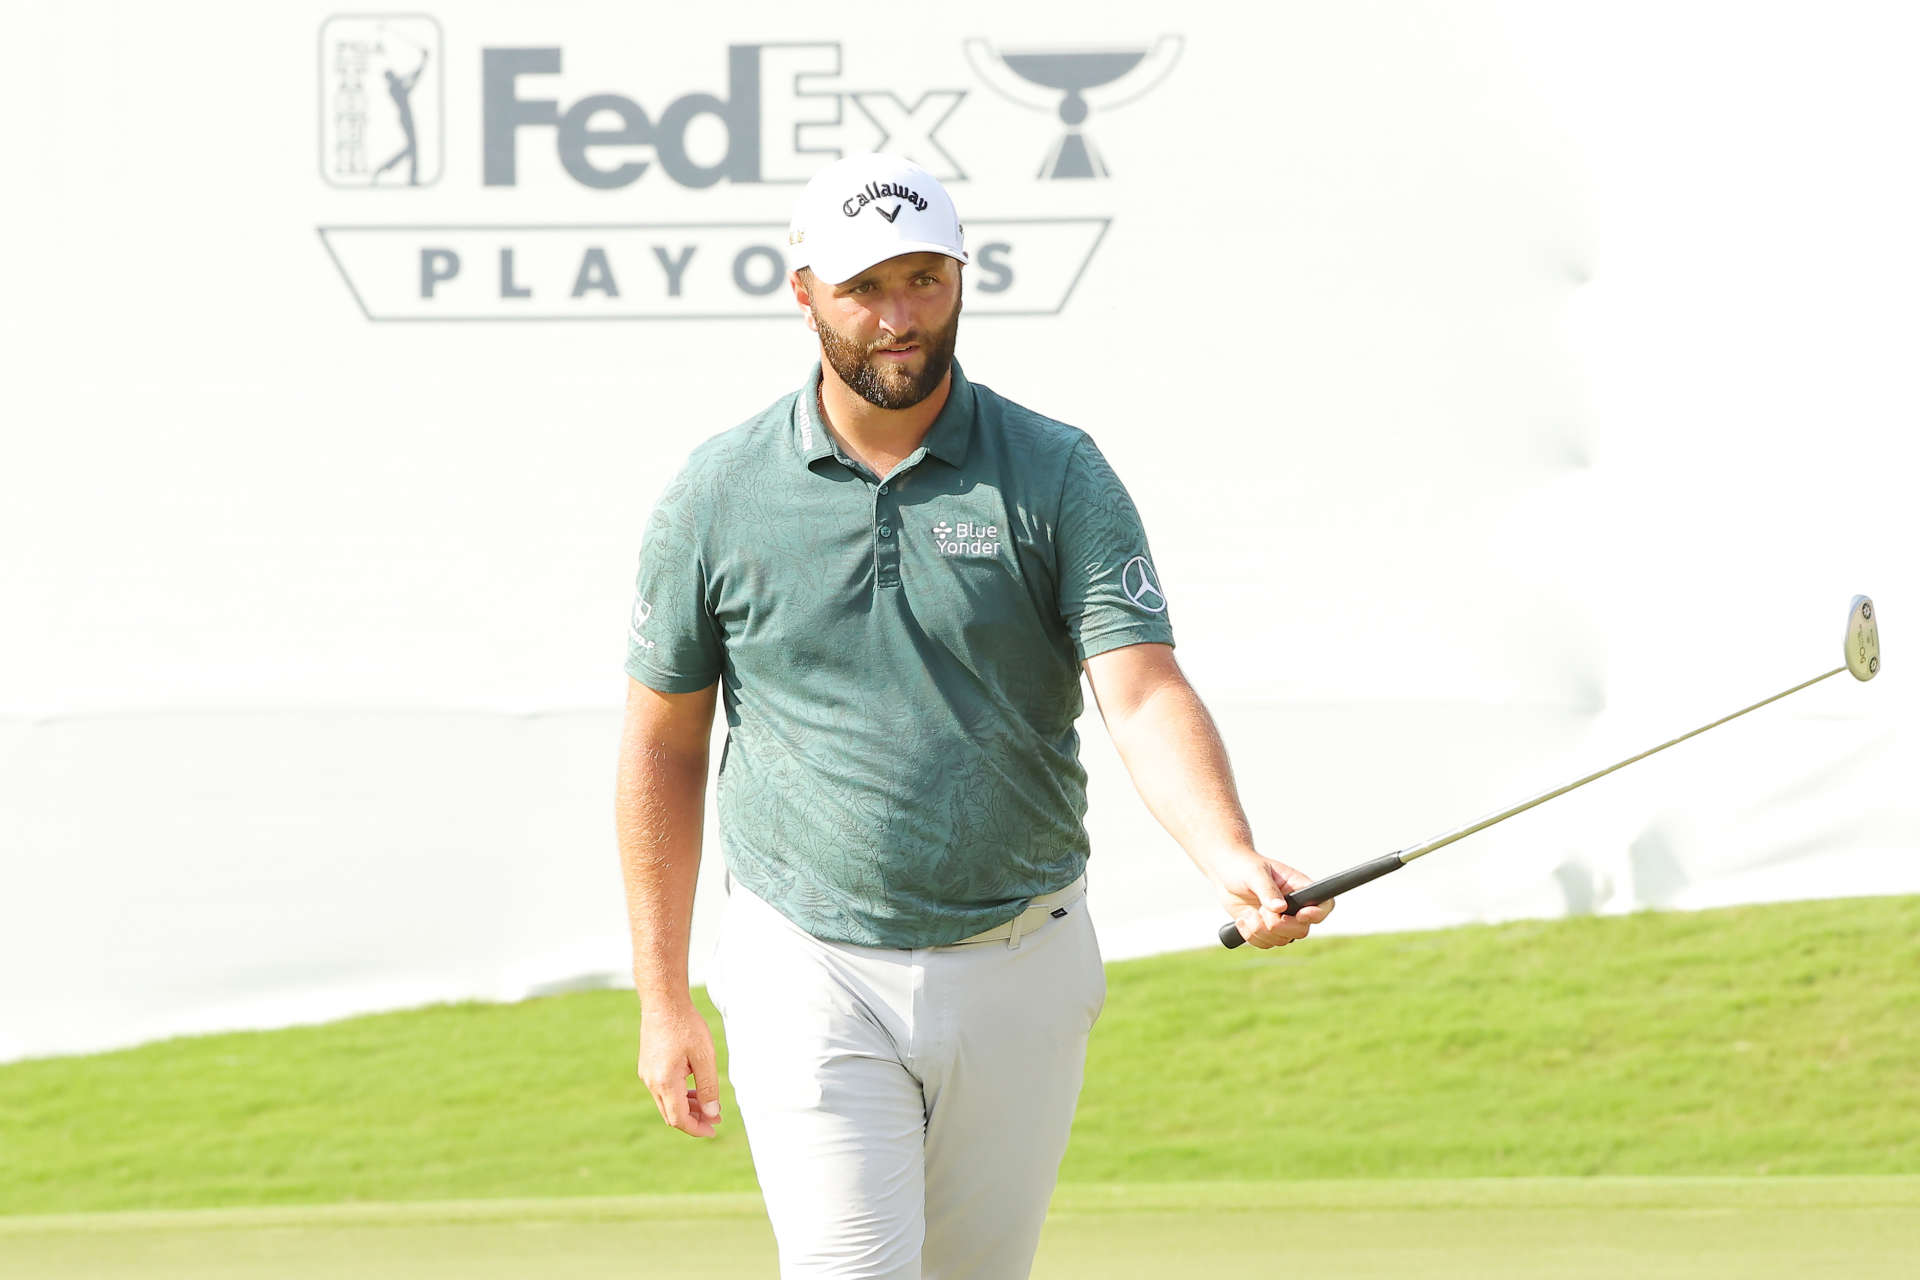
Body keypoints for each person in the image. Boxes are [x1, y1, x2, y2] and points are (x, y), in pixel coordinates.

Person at [615, 152, 1330, 1279]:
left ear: (961, 276)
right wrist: (663, 998)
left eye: (925, 280)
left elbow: (1140, 688)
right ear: (803, 291)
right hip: (808, 958)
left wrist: (1228, 850)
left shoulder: (1055, 471)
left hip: (1021, 956)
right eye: (866, 288)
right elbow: (661, 744)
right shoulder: (717, 492)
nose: (900, 319)